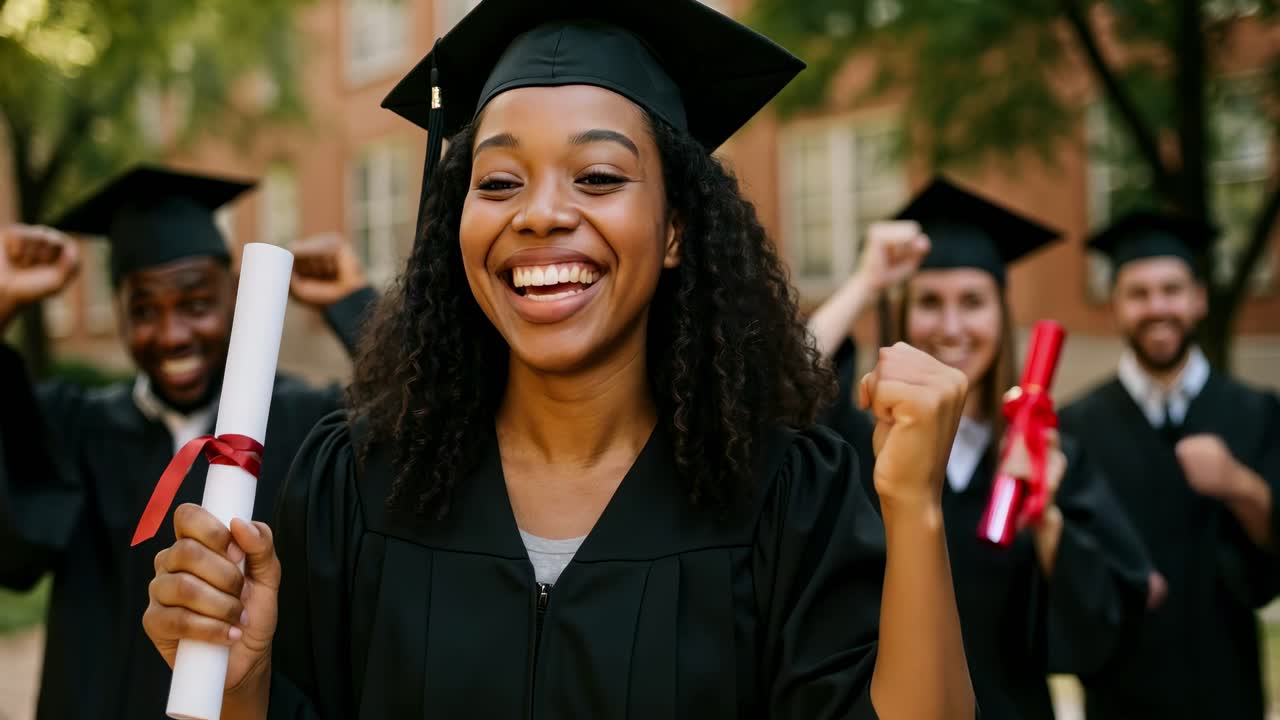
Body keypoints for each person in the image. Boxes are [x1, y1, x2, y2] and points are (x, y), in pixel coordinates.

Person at [141, 1, 978, 718]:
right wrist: (240, 685)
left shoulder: (790, 498)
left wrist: (916, 508)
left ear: (678, 227)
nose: (541, 214)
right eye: (499, 182)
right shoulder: (355, 481)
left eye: (599, 177)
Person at [0, 165, 375, 720]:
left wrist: (356, 307)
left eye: (197, 304)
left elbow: (418, 433)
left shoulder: (307, 424)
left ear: (236, 297)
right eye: (144, 310)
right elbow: (15, 551)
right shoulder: (74, 427)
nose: (173, 333)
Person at [807, 177, 1151, 720]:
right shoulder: (857, 442)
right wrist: (866, 282)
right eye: (929, 302)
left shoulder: (1050, 455)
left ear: (1001, 314)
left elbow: (1107, 625)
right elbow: (785, 381)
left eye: (972, 302)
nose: (951, 326)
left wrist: (1046, 519)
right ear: (901, 315)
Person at [1059, 210, 1280, 719]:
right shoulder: (1076, 429)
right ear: (1115, 307)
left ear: (1199, 299)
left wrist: (1240, 484)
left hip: (1228, 690)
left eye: (1172, 289)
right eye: (1138, 293)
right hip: (1120, 696)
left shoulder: (1255, 412)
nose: (1157, 307)